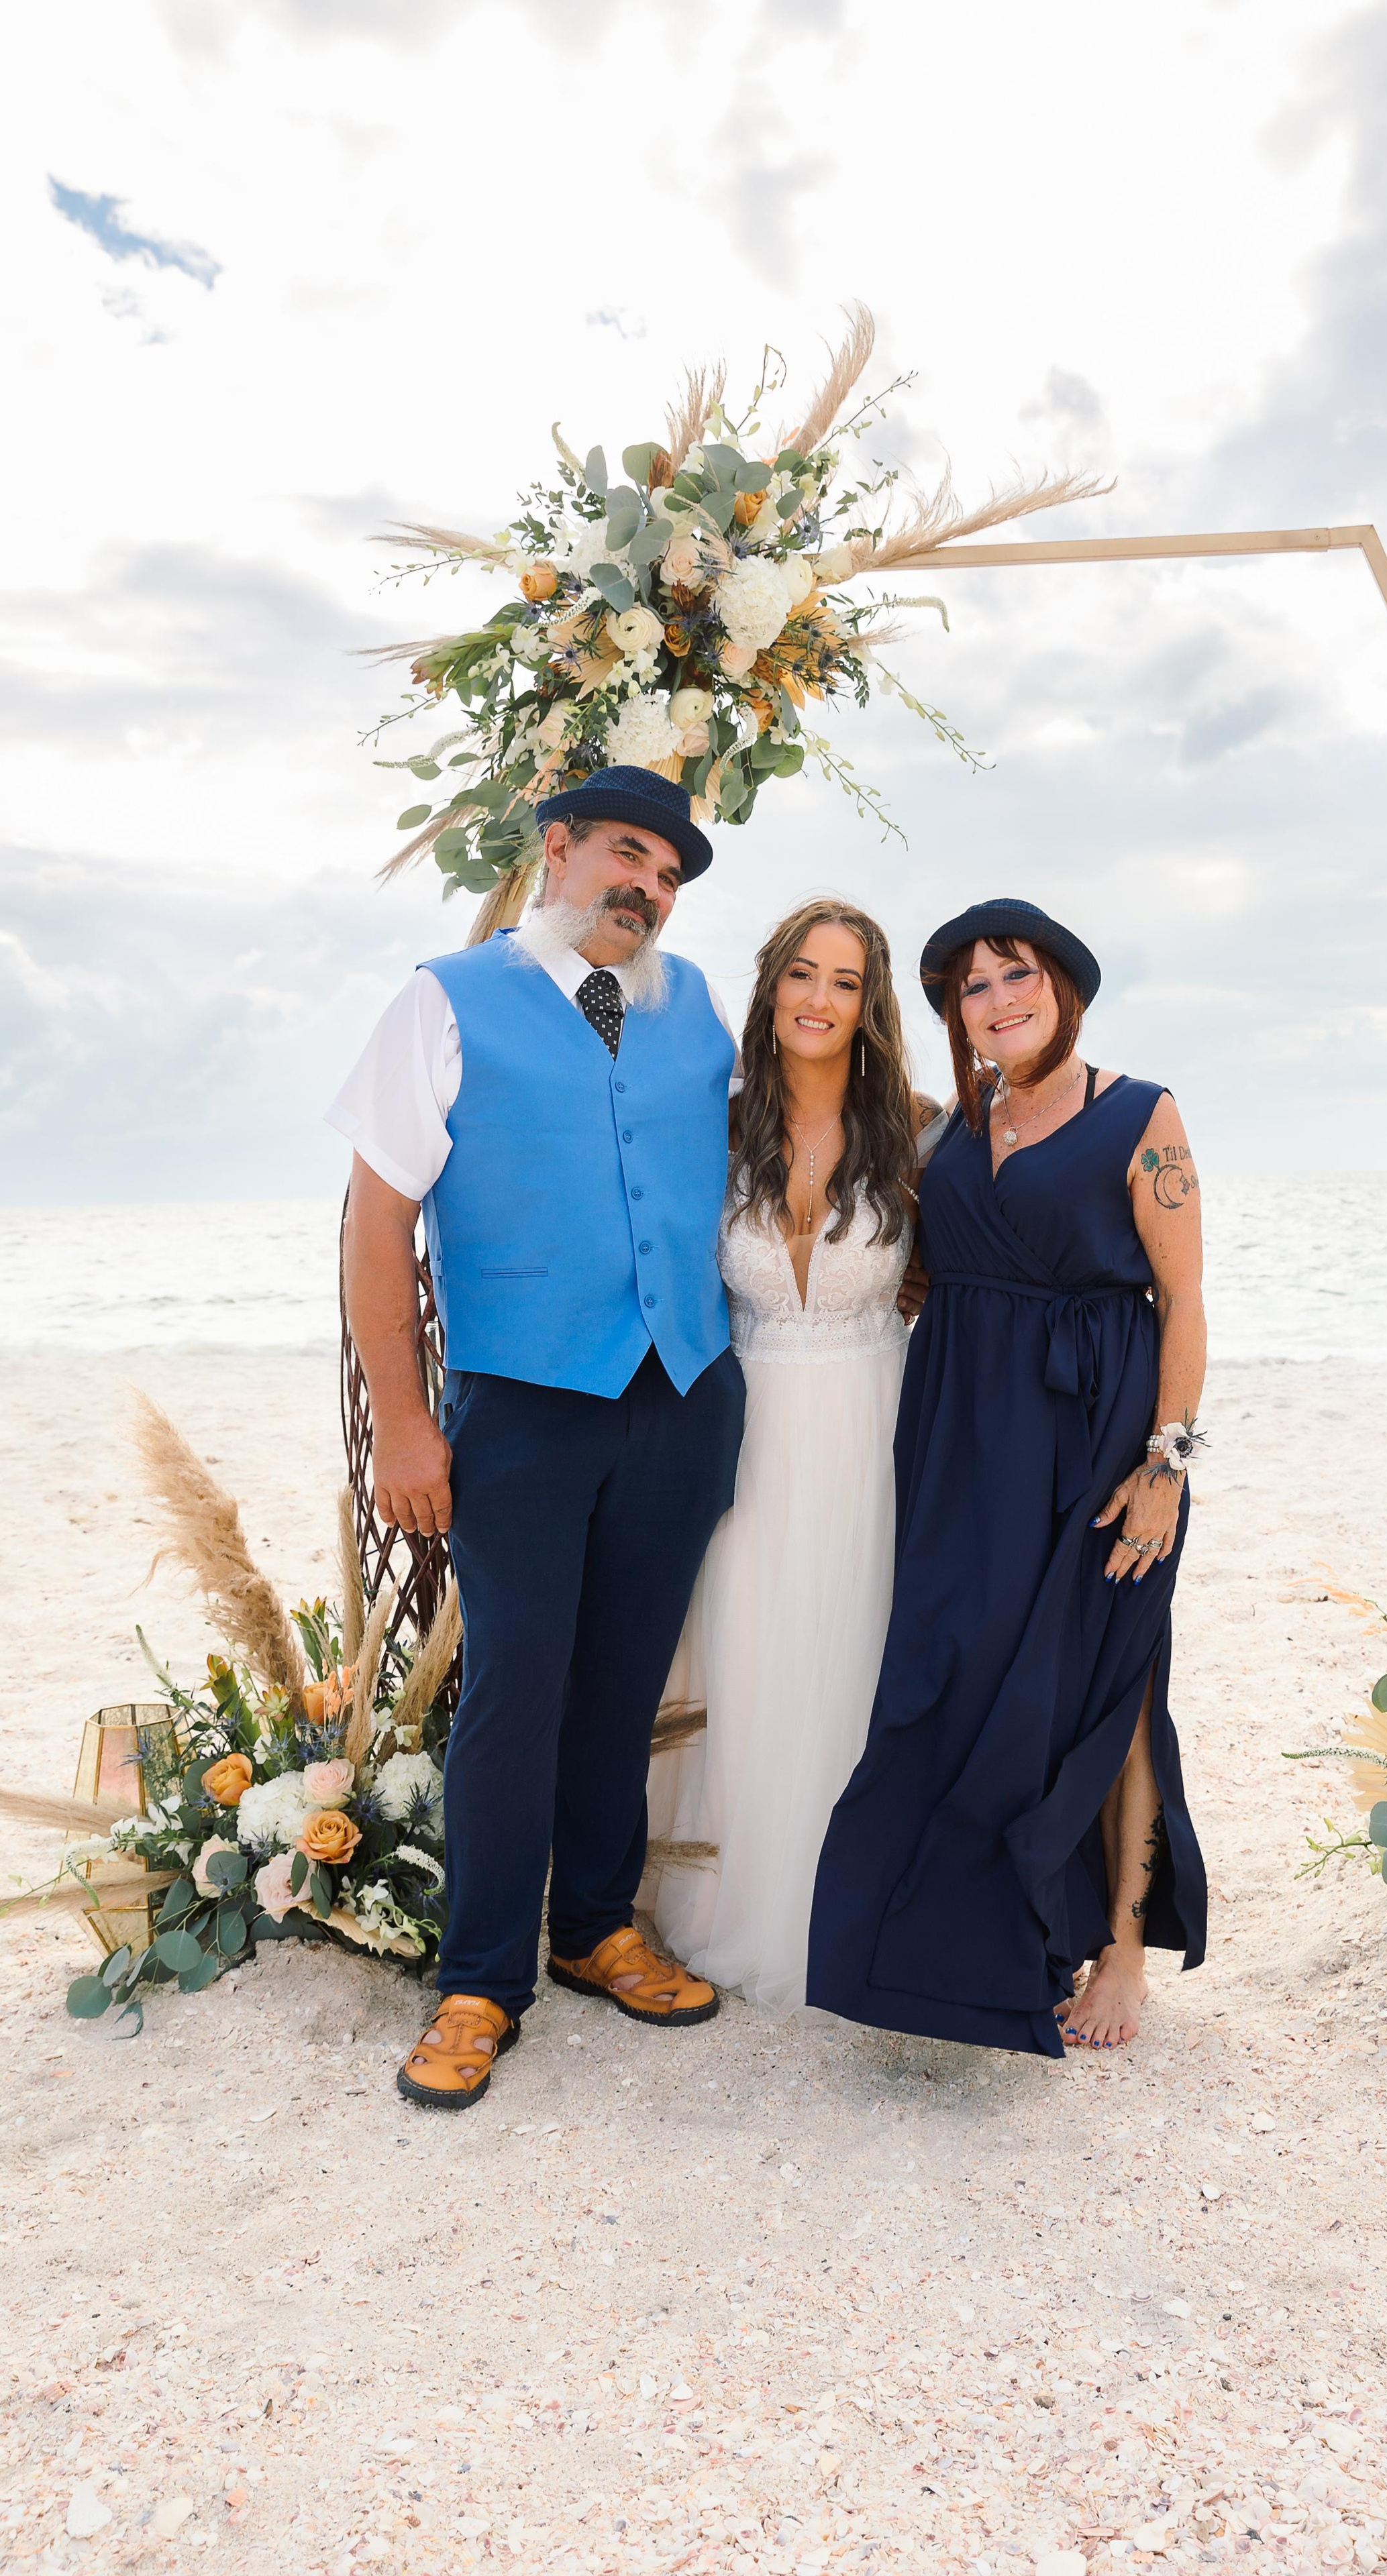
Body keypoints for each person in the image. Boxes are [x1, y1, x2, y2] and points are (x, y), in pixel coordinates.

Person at [328, 767, 746, 2110]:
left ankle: (595, 1931)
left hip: (682, 1392)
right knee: (513, 1691)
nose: (647, 887)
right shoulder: (443, 1004)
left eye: (669, 876)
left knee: (623, 1684)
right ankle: (479, 1978)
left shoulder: (696, 1016)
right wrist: (404, 1422)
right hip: (520, 1404)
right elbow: (375, 1227)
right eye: (627, 854)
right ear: (555, 851)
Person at [807, 897, 1208, 2056]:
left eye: (1016, 974)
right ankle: (945, 1950)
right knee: (952, 1674)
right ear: (953, 1015)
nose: (997, 1000)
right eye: (971, 987)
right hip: (959, 1439)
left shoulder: (1143, 1114)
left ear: (1063, 989)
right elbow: (932, 1275)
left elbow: (1181, 1301)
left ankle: (1124, 1948)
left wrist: (1166, 1469)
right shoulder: (946, 1132)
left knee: (1110, 1677)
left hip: (1097, 1437)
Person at [647, 900, 941, 2013]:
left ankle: (861, 1907)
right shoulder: (713, 1128)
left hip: (876, 1415)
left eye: (848, 982)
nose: (821, 1000)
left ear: (871, 1009)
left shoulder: (919, 1126)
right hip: (750, 1416)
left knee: (862, 1647)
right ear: (771, 987)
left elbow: (971, 1276)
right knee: (747, 1645)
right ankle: (736, 1906)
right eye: (803, 976)